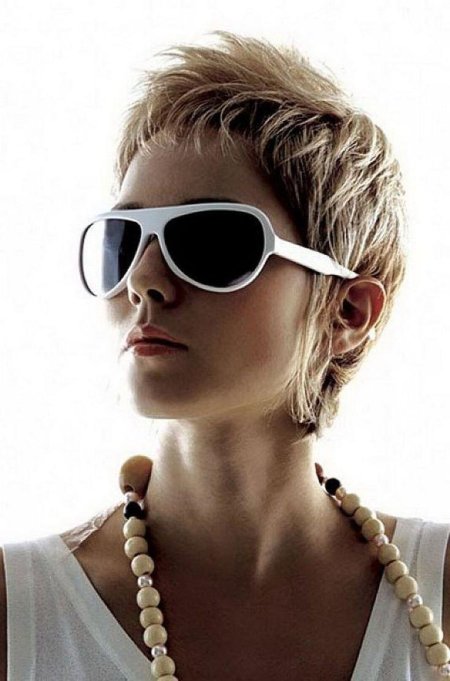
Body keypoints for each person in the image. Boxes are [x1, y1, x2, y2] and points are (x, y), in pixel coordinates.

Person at [1, 29, 450, 681]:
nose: (143, 279)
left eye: (210, 240)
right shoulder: (16, 611)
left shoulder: (439, 589)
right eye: (123, 239)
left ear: (348, 312)